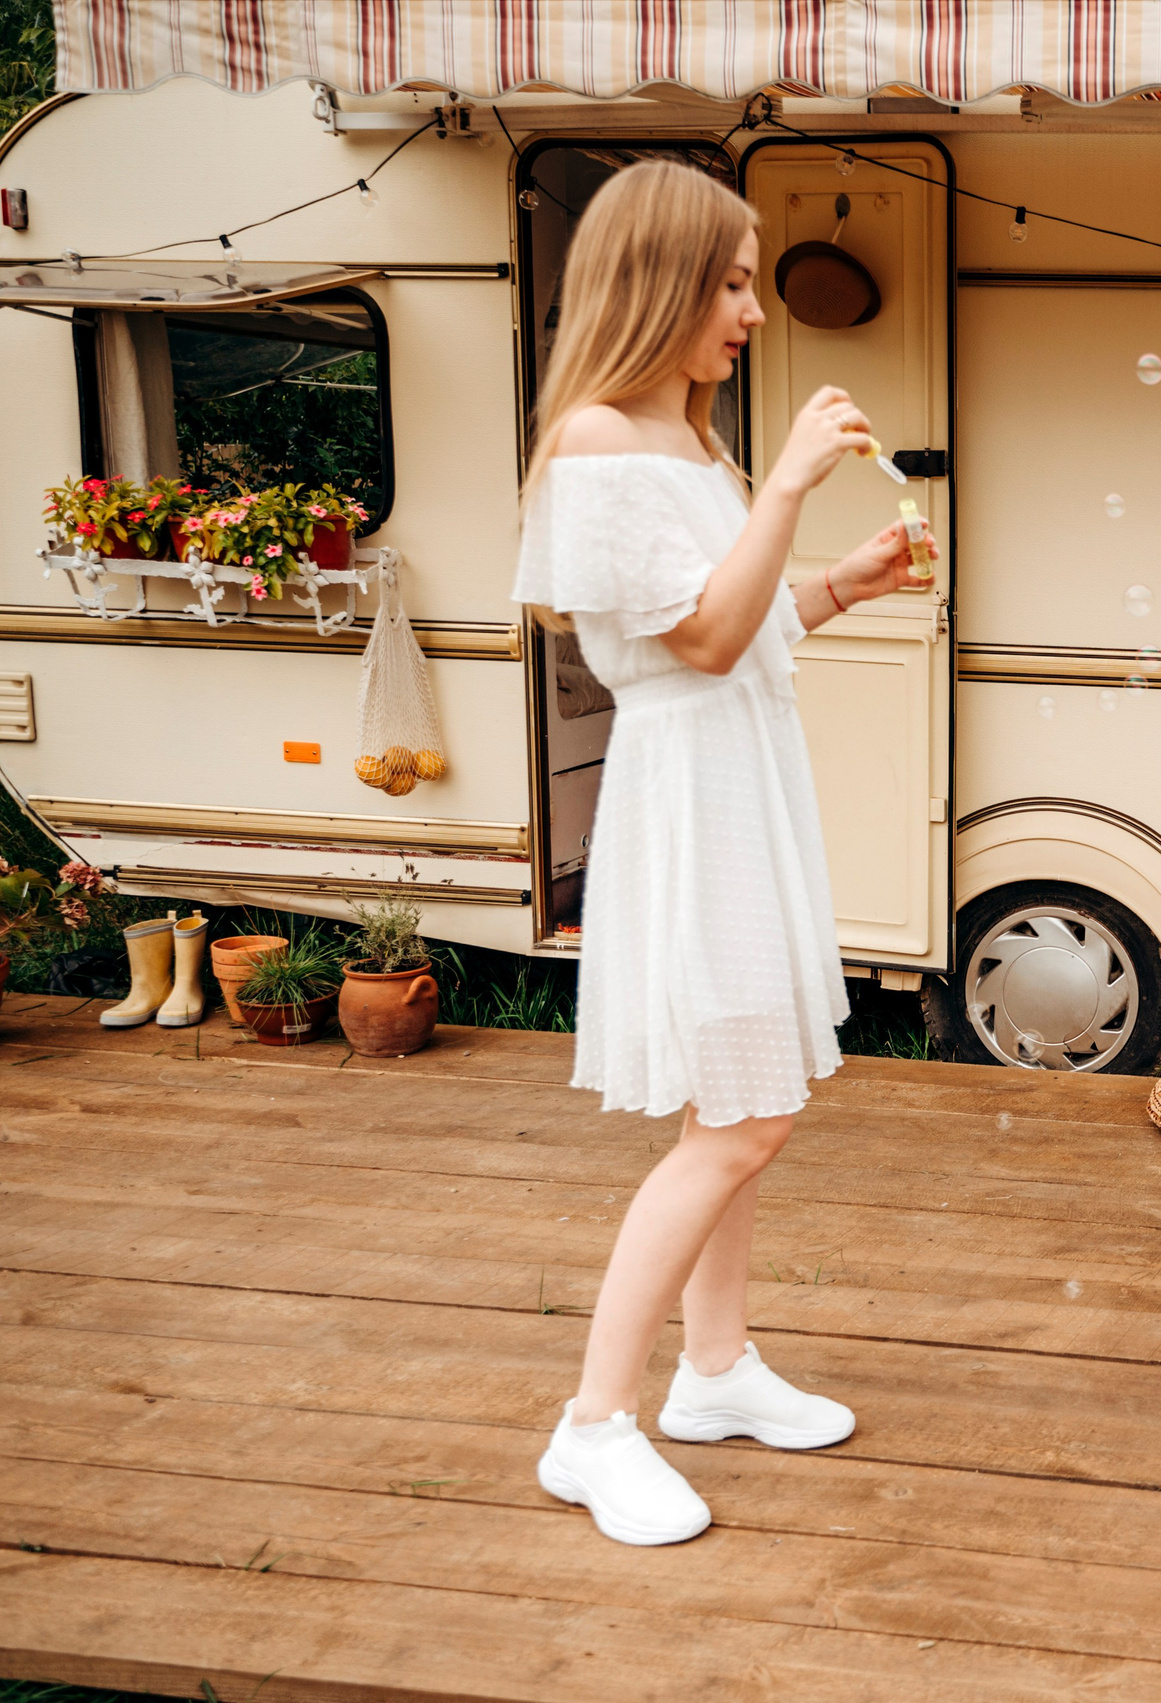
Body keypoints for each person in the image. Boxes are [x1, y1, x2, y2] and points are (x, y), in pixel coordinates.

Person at [510, 160, 936, 1545]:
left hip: (739, 775)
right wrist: (793, 486)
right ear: (662, 283)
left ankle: (713, 1367)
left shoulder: (686, 444)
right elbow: (693, 643)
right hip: (689, 792)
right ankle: (591, 1425)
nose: (753, 311)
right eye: (735, 283)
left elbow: (739, 616)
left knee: (739, 1098)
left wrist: (843, 583)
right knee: (742, 1121)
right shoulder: (596, 441)